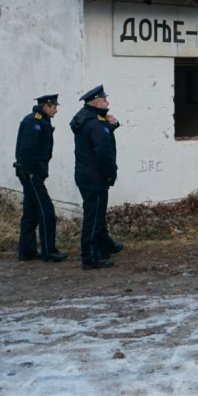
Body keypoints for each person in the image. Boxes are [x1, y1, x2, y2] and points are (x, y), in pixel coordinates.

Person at [70, 85, 123, 270]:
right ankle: (91, 257)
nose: (108, 102)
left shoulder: (86, 119)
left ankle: (104, 246)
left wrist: (113, 125)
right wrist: (110, 173)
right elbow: (103, 152)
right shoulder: (95, 124)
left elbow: (100, 136)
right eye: (105, 100)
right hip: (95, 177)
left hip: (86, 174)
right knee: (93, 218)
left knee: (97, 215)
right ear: (97, 102)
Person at [13, 94, 67, 263]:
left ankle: (27, 251)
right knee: (46, 211)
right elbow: (28, 149)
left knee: (30, 212)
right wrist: (31, 172)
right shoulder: (34, 122)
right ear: (45, 107)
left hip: (33, 173)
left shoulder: (40, 121)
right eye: (54, 107)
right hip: (32, 174)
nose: (56, 110)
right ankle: (48, 250)